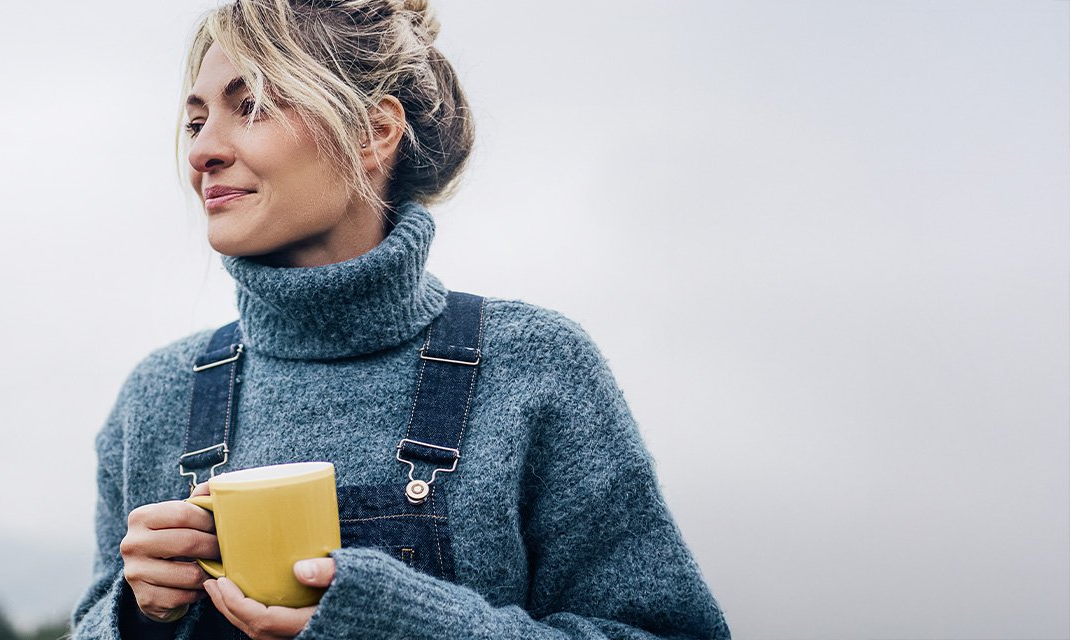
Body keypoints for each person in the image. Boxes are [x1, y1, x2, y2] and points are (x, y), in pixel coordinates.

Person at [68, 0, 731, 639]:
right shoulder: (158, 396)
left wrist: (404, 623)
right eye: (194, 122)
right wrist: (136, 621)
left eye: (254, 106)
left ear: (374, 132)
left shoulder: (534, 365)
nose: (202, 151)